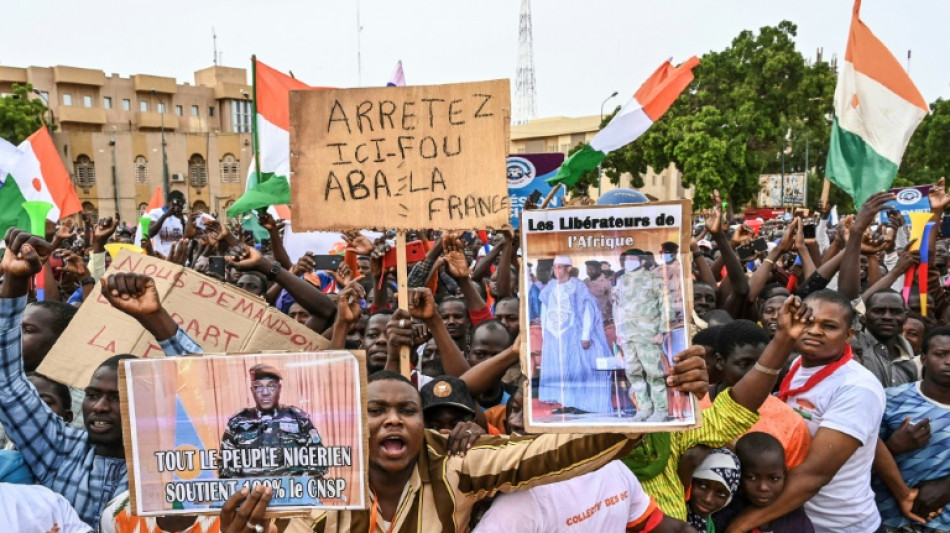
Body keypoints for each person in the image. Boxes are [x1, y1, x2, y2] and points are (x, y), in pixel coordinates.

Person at [220, 342, 711, 533]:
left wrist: (656, 397)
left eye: (407, 411)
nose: (394, 421)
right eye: (376, 411)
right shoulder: (310, 479)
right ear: (350, 420)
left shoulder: (455, 464)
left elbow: (548, 452)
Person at [722, 289, 899, 533]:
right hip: (790, 518)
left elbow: (813, 476)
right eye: (808, 322)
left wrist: (739, 525)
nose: (815, 331)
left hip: (838, 526)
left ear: (849, 335)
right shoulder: (797, 365)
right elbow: (870, 440)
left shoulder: (857, 387)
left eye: (829, 326)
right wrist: (903, 492)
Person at [701, 320, 811, 469]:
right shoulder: (691, 408)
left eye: (762, 364)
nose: (755, 373)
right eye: (744, 364)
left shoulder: (790, 422)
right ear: (720, 361)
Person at [874, 325, 950, 531]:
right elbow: (857, 460)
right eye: (940, 354)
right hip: (889, 519)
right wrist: (893, 447)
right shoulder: (890, 399)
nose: (948, 361)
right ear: (923, 359)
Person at [219, 364, 326, 478]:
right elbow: (225, 468)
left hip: (292, 488)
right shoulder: (237, 422)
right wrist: (246, 487)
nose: (265, 393)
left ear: (279, 389)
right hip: (251, 489)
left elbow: (319, 462)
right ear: (252, 390)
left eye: (271, 386)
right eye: (258, 387)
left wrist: (298, 484)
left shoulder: (299, 419)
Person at [538, 255, 613, 414]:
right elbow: (545, 312)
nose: (556, 270)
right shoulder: (550, 287)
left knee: (579, 369)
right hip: (555, 338)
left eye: (560, 267)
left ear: (569, 269)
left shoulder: (578, 286)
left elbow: (588, 311)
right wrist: (545, 335)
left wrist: (585, 335)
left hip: (575, 336)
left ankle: (585, 405)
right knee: (562, 371)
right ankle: (567, 403)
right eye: (554, 267)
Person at [613, 249, 671, 422]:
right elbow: (617, 308)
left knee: (654, 373)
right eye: (626, 259)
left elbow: (665, 305)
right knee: (633, 373)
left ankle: (661, 410)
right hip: (627, 335)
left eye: (632, 258)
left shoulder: (654, 279)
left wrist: (662, 331)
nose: (628, 262)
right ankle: (644, 408)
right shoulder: (621, 280)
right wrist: (618, 332)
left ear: (642, 261)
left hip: (648, 334)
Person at [714, 433, 814, 533]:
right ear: (739, 474)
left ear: (784, 474)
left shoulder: (794, 516)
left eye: (774, 478)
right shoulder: (724, 513)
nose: (763, 487)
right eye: (752, 478)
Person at [856, 289, 919, 387]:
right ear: (864, 316)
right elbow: (852, 303)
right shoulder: (856, 345)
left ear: (905, 317)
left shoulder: (910, 363)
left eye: (896, 312)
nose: (887, 317)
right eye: (878, 311)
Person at [686, 448, 741, 533]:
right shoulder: (670, 515)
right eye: (702, 486)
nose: (708, 499)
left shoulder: (709, 526)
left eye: (721, 494)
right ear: (691, 480)